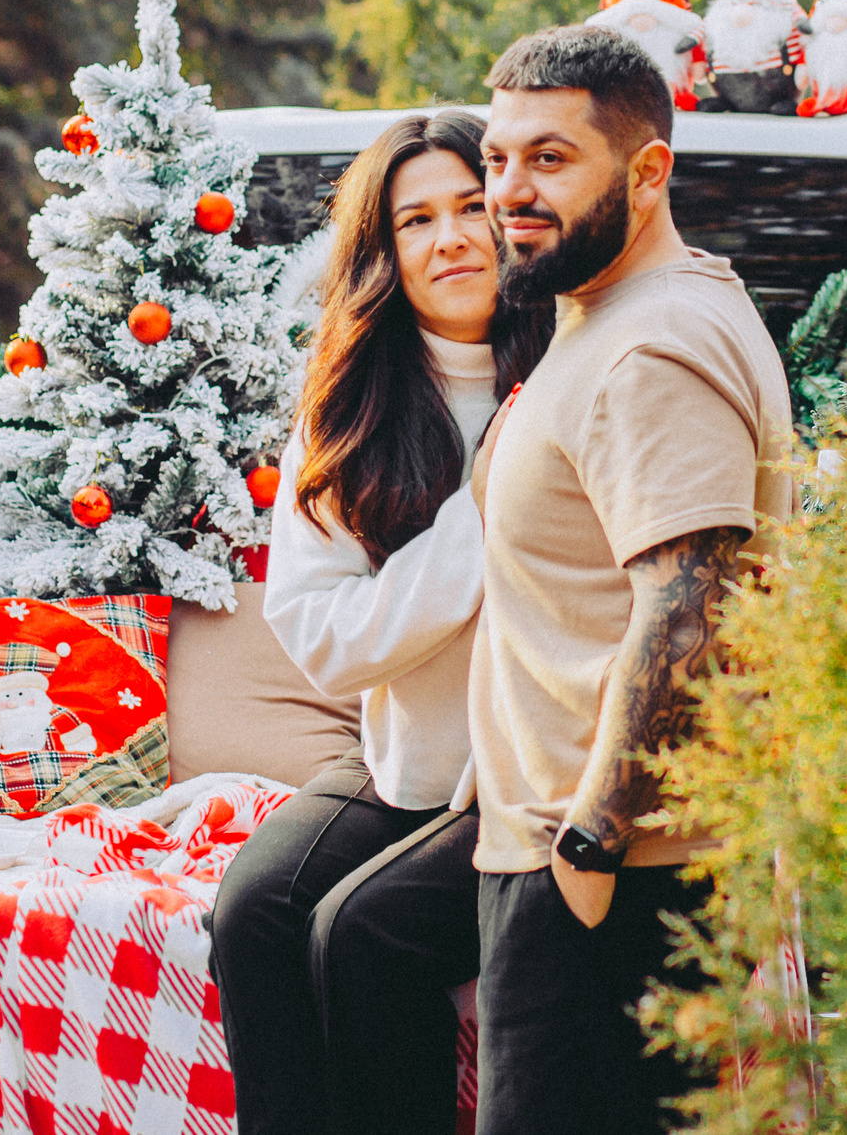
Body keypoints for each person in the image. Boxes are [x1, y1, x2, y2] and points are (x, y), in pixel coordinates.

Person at [468, 27, 794, 1134]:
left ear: (648, 172)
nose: (509, 190)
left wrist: (589, 846)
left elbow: (692, 606)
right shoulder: (614, 316)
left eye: (550, 160)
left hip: (617, 872)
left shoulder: (648, 348)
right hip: (588, 857)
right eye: (496, 157)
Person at [209, 110, 550, 1135]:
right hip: (408, 756)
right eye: (416, 221)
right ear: (383, 253)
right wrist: (483, 510)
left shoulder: (575, 371)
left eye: (471, 209)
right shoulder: (352, 404)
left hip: (531, 772)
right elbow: (322, 634)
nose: (450, 237)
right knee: (254, 913)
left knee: (362, 934)